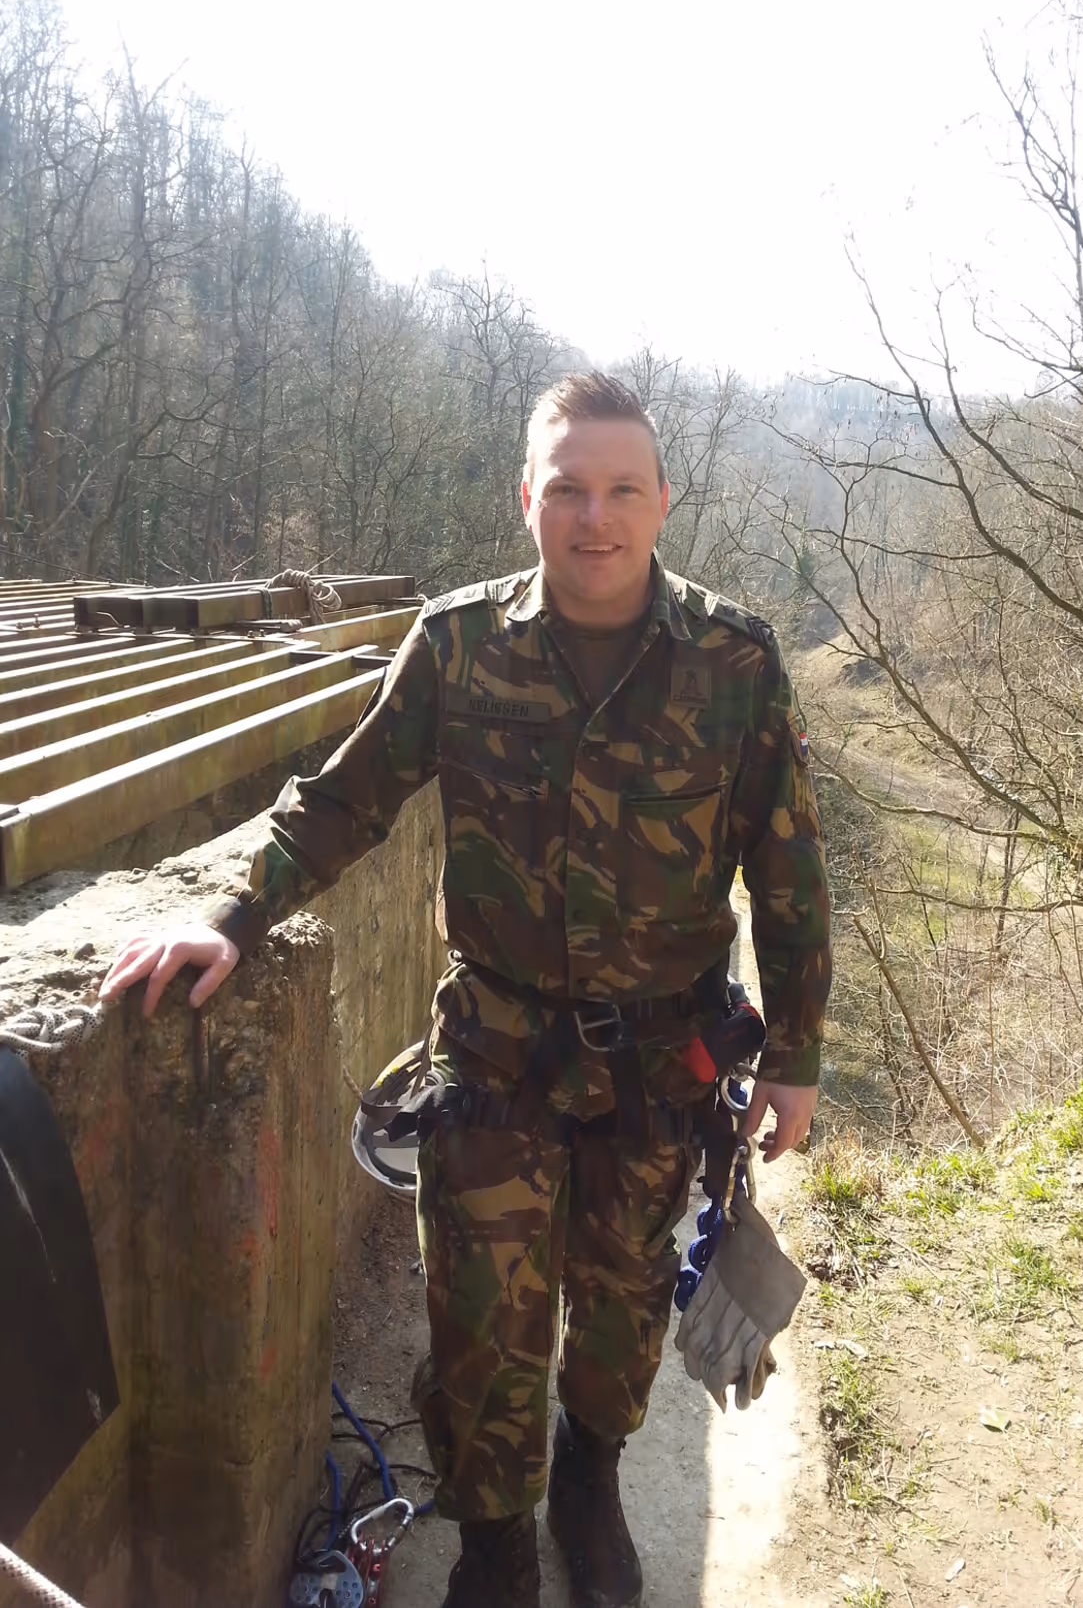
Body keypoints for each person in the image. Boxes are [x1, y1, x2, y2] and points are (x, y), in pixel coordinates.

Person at [100, 372, 831, 1608]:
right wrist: (230, 917)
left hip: (660, 1074)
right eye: (565, 489)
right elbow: (345, 800)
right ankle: (495, 1541)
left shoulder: (735, 661)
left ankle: (589, 1486)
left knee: (620, 1306)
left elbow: (790, 872)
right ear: (526, 498)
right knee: (482, 1325)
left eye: (619, 491)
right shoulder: (454, 645)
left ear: (663, 501)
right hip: (495, 1055)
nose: (591, 517)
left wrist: (798, 1055)